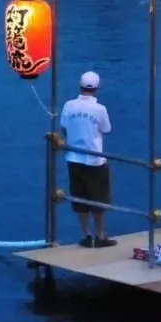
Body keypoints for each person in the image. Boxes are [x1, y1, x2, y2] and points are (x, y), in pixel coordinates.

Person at [60, 71, 116, 249]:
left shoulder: (69, 105)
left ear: (80, 86)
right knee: (98, 198)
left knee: (80, 197)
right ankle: (100, 235)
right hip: (94, 159)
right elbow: (106, 129)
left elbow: (64, 127)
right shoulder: (100, 109)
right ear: (97, 88)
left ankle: (85, 235)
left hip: (74, 157)